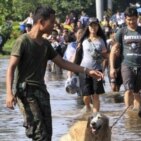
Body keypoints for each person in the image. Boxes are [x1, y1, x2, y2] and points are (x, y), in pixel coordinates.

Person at [5, 6, 103, 141]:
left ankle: (32, 126)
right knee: (39, 133)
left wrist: (87, 70)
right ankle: (30, 124)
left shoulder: (45, 44)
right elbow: (10, 67)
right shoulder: (23, 41)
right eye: (51, 22)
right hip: (26, 91)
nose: (54, 25)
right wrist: (9, 93)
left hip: (42, 90)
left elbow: (62, 63)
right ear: (41, 22)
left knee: (48, 133)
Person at [109, 7, 141, 110]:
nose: (131, 22)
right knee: (128, 90)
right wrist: (112, 68)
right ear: (125, 19)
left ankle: (136, 115)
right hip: (126, 65)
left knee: (139, 92)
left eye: (133, 19)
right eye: (128, 19)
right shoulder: (122, 32)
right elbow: (113, 50)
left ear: (137, 18)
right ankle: (128, 113)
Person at [74, 17, 109, 113]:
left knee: (96, 94)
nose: (93, 28)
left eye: (95, 25)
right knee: (86, 96)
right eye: (91, 26)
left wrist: (105, 67)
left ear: (98, 27)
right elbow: (77, 54)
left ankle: (95, 115)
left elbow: (105, 55)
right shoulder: (83, 40)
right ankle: (88, 107)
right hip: (84, 70)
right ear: (88, 27)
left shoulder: (101, 40)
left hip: (97, 70)